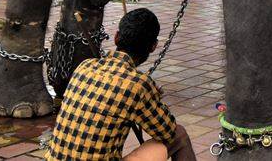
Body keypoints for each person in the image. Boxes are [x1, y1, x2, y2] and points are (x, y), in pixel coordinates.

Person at [45, 9, 196, 160]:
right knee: (179, 135)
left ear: (117, 37)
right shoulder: (138, 84)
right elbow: (167, 131)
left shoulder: (85, 66)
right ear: (153, 46)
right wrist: (152, 96)